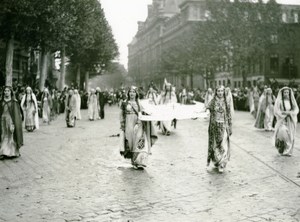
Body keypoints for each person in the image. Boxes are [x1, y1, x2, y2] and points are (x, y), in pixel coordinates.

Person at [120, 86, 157, 170]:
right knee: (130, 142)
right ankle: (133, 161)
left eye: (133, 92)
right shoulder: (124, 103)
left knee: (139, 141)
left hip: (138, 124)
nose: (132, 93)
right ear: (128, 93)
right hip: (128, 124)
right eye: (130, 92)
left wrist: (139, 121)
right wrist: (122, 125)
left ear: (136, 93)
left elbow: (143, 112)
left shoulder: (139, 103)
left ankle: (139, 161)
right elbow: (121, 115)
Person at [206, 86, 232, 173]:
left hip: (224, 126)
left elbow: (229, 115)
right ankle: (217, 161)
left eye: (222, 91)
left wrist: (230, 126)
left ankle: (222, 164)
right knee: (215, 146)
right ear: (216, 92)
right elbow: (206, 108)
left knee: (223, 145)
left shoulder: (226, 102)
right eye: (218, 91)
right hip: (214, 127)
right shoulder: (213, 102)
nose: (220, 93)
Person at [273, 87, 299, 156]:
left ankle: (289, 151)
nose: (286, 94)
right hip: (283, 120)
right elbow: (276, 110)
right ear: (282, 93)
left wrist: (291, 113)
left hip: (290, 120)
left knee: (291, 135)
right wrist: (282, 114)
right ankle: (283, 149)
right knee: (283, 133)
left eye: (287, 92)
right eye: (285, 92)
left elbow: (296, 109)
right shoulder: (280, 101)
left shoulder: (292, 101)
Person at [0, 86, 23, 159]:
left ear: (11, 92)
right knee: (3, 135)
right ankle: (3, 152)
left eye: (8, 91)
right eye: (5, 91)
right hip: (2, 121)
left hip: (10, 120)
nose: (6, 92)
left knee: (11, 136)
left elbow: (16, 114)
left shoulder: (14, 102)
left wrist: (14, 123)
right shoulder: (1, 101)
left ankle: (12, 152)